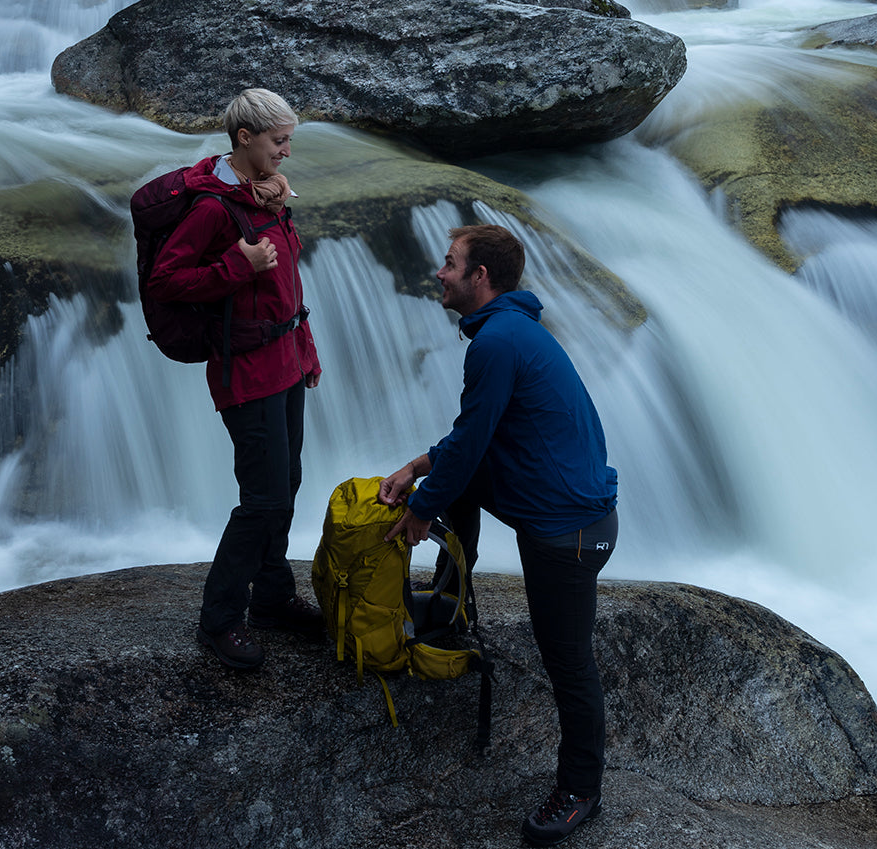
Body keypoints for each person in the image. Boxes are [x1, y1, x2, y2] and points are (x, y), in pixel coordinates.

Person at [378, 224, 619, 847]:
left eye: (451, 263)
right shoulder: (510, 330)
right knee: (459, 480)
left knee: (568, 662)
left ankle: (580, 789)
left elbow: (472, 442)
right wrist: (416, 469)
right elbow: (468, 439)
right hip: (555, 501)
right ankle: (451, 606)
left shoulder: (498, 343)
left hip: (568, 530)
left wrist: (422, 507)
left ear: (480, 277)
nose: (440, 272)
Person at [143, 88, 324, 670]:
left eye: (289, 140)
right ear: (244, 139)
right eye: (279, 141)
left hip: (286, 360)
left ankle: (272, 598)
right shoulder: (213, 208)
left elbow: (288, 285)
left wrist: (307, 352)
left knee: (288, 482)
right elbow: (166, 281)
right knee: (264, 497)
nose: (287, 153)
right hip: (245, 370)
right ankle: (221, 618)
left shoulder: (264, 196)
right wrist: (233, 267)